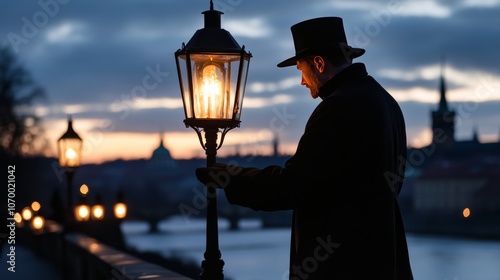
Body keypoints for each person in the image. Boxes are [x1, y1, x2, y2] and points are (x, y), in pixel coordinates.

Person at [196, 17, 414, 279]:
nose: (302, 81)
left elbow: (293, 185)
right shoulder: (387, 102)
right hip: (383, 260)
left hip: (342, 266)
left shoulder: (338, 106)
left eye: (301, 69)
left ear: (319, 63)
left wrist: (231, 177)